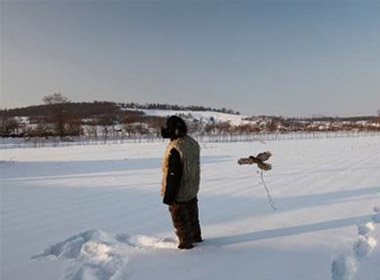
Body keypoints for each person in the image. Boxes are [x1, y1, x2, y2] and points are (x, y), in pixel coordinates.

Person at [160, 115, 202, 249]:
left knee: (180, 221)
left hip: (179, 191)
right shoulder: (192, 143)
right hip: (192, 188)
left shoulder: (176, 148)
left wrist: (169, 196)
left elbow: (174, 174)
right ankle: (196, 238)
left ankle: (186, 246)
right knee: (193, 217)